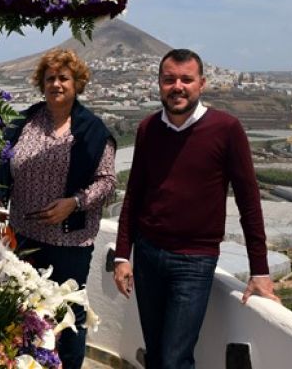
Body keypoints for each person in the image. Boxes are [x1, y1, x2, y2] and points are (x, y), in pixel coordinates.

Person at [113, 49, 279, 369]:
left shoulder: (226, 129)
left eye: (186, 79)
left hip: (194, 261)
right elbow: (133, 195)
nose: (178, 86)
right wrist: (122, 255)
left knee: (175, 359)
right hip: (147, 255)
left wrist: (259, 271)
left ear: (201, 84)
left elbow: (248, 201)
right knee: (156, 354)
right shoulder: (148, 128)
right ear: (159, 84)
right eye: (169, 79)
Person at [0, 48, 116, 369]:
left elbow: (107, 182)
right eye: (50, 78)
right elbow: (3, 164)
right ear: (42, 84)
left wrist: (74, 204)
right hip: (23, 237)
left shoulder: (92, 130)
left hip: (69, 243)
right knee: (23, 313)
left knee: (67, 316)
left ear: (77, 84)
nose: (56, 84)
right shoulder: (25, 122)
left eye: (64, 78)